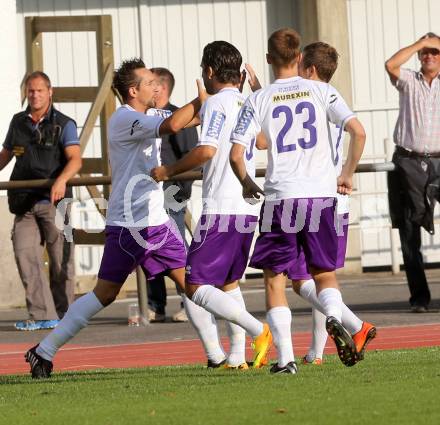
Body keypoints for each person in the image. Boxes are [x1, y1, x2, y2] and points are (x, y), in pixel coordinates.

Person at [24, 58, 212, 378]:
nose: (157, 87)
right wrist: (201, 99)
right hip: (129, 224)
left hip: (157, 221)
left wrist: (219, 101)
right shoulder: (126, 118)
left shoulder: (149, 112)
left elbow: (187, 119)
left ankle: (219, 355)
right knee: (106, 294)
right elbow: (173, 125)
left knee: (191, 284)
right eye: (150, 82)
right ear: (133, 90)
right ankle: (43, 351)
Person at [230, 28, 366, 373]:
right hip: (321, 196)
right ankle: (334, 317)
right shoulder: (322, 90)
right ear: (300, 58)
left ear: (267, 58)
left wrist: (247, 183)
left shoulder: (257, 100)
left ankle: (286, 359)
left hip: (282, 198)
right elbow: (358, 131)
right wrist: (347, 173)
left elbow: (236, 155)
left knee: (275, 279)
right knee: (324, 273)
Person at [151, 41, 272, 370]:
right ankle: (236, 356)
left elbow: (206, 151)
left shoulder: (217, 103)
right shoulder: (245, 101)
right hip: (246, 209)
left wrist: (167, 170)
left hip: (222, 206)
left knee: (194, 285)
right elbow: (261, 141)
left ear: (208, 71)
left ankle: (257, 329)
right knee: (228, 283)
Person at [0, 71, 81, 331]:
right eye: (30, 90)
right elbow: (5, 155)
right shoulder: (18, 122)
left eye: (39, 90)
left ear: (50, 92)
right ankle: (42, 314)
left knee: (61, 262)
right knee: (26, 257)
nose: (34, 95)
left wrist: (61, 180)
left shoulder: (64, 123)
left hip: (55, 203)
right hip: (24, 203)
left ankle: (65, 316)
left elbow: (75, 160)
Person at [385, 32, 440, 313]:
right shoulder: (409, 80)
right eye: (424, 52)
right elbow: (391, 65)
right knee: (409, 231)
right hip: (408, 160)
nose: (428, 55)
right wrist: (420, 43)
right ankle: (419, 298)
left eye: (434, 51)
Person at [146, 67, 198, 323]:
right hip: (148, 196)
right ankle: (156, 304)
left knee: (176, 247)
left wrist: (177, 188)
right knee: (149, 247)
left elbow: (192, 157)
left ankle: (191, 300)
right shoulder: (146, 117)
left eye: (150, 83)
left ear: (162, 88)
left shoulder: (179, 118)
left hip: (171, 194)